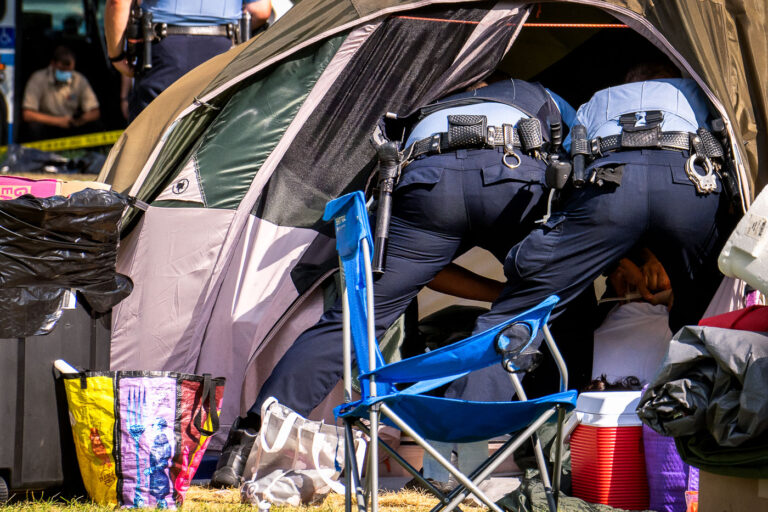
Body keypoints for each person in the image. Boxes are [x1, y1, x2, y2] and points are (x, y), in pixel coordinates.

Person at [210, 77, 577, 487]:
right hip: (514, 179)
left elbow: (428, 269)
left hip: (427, 183)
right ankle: (470, 461)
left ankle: (246, 441)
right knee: (549, 304)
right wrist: (510, 296)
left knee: (352, 321)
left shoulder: (424, 109)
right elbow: (582, 169)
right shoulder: (537, 94)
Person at [474, 57, 735, 360]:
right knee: (716, 297)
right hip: (689, 181)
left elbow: (569, 166)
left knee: (521, 309)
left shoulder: (600, 100)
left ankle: (481, 379)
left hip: (609, 185)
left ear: (627, 85)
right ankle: (711, 380)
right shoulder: (698, 92)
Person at [105, 0, 272, 121]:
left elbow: (117, 3)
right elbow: (261, 10)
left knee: (150, 141)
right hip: (224, 49)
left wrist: (117, 56)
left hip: (163, 51)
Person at [21, 46, 101, 142]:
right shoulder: (38, 79)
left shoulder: (79, 79)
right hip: (48, 125)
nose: (66, 73)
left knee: (96, 125)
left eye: (69, 70)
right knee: (34, 127)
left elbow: (95, 112)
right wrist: (58, 121)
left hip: (71, 125)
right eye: (62, 70)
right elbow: (28, 114)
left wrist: (79, 121)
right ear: (53, 64)